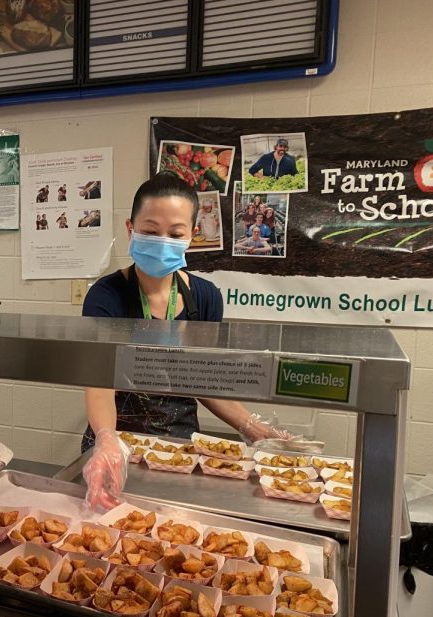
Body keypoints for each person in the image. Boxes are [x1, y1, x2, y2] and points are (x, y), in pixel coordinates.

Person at [81, 173, 289, 509]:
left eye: (175, 233)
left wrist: (251, 426)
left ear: (192, 235)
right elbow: (98, 381)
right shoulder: (106, 297)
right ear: (130, 228)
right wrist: (106, 440)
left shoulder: (206, 297)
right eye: (150, 231)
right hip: (116, 446)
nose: (162, 241)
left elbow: (203, 378)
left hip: (178, 450)